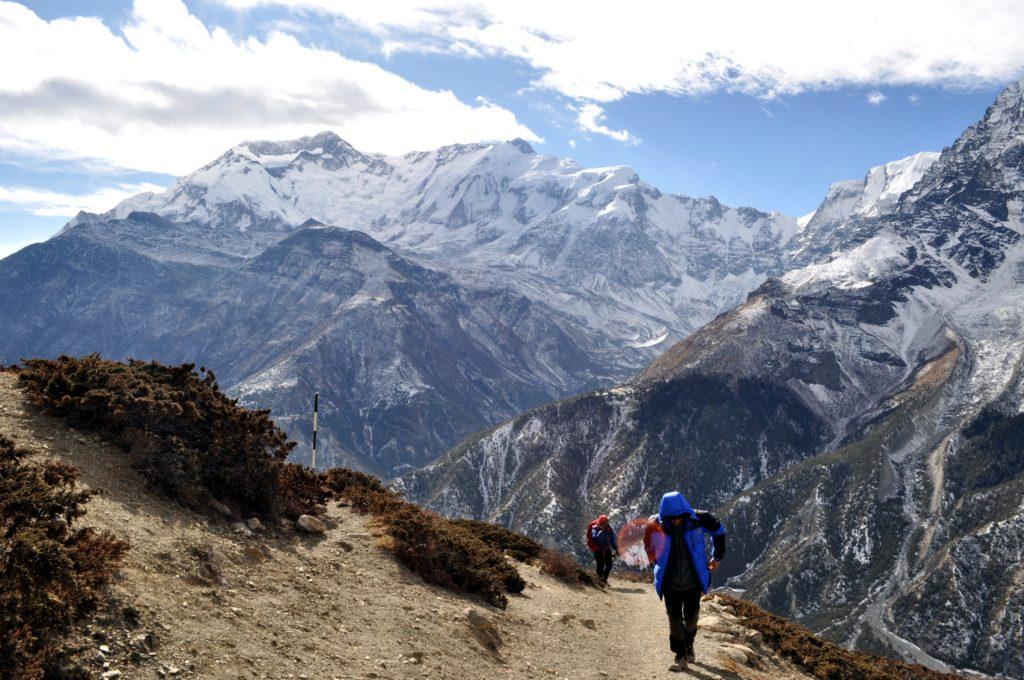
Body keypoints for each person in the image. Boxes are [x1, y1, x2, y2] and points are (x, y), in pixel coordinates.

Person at [643, 491, 726, 672]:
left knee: (691, 619)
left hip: (693, 582)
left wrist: (717, 557)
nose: (677, 520)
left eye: (680, 517)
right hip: (670, 583)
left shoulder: (698, 519)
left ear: (685, 513)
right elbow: (648, 543)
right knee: (674, 621)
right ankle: (680, 655)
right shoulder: (655, 525)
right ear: (666, 516)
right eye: (672, 518)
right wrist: (653, 562)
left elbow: (719, 531)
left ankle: (689, 645)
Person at [585, 514, 618, 582]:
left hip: (606, 548)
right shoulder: (595, 528)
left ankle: (604, 579)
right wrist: (601, 531)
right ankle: (599, 580)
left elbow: (612, 540)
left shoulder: (609, 529)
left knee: (609, 565)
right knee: (600, 565)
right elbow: (595, 538)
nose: (607, 524)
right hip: (598, 549)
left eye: (607, 522)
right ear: (602, 523)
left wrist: (616, 548)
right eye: (605, 522)